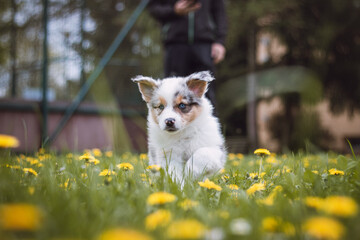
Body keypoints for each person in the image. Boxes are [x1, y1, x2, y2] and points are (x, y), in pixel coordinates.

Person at [148, 0, 227, 106]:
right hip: (175, 45)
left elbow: (220, 11)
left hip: (204, 44)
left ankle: (207, 122)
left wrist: (220, 41)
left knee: (206, 95)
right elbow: (153, 8)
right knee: (173, 93)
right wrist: (174, 10)